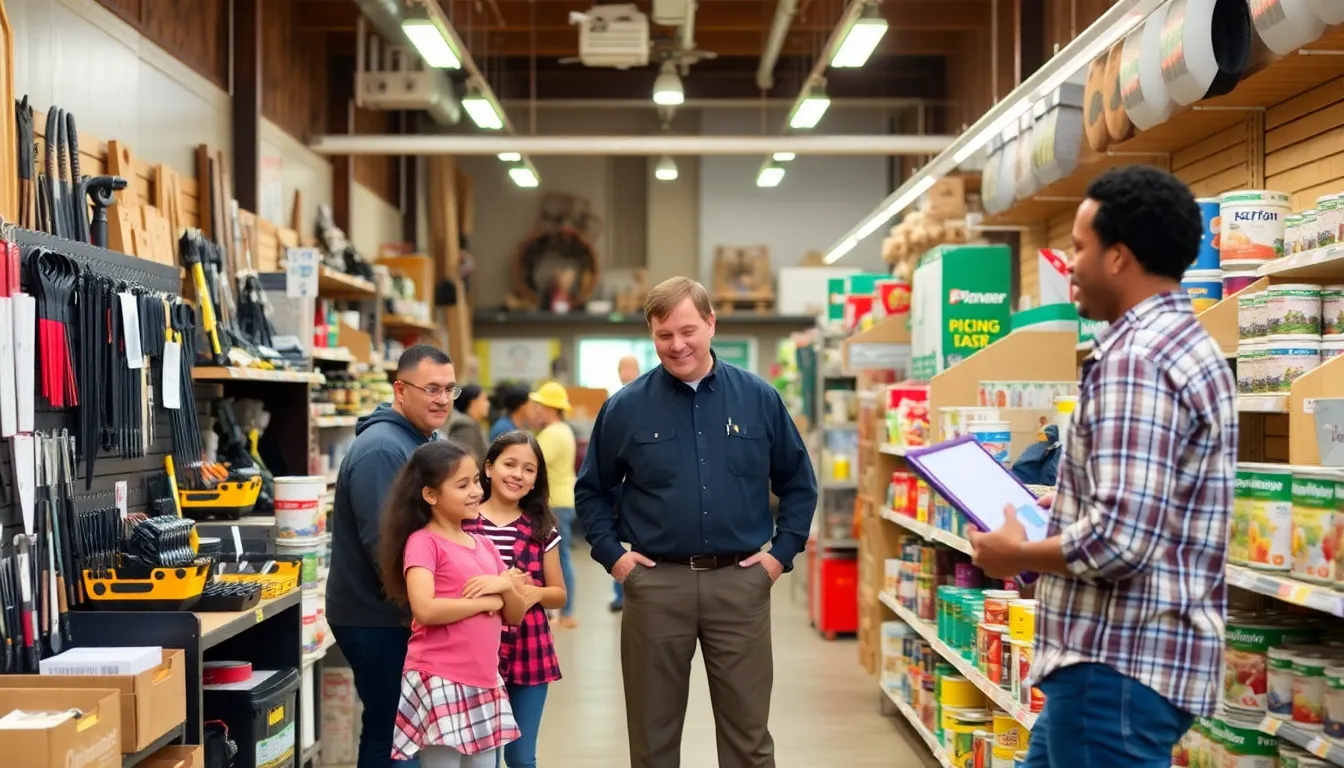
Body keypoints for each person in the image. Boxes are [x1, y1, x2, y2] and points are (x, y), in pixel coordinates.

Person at [967, 166, 1236, 768]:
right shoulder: (1186, 344)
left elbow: (1120, 540)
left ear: (1118, 257)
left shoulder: (1135, 361)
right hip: (1128, 666)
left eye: (1079, 247)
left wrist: (1016, 554)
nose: (1070, 265)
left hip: (1115, 665)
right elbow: (1151, 506)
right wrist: (1066, 506)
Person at [574, 277, 817, 768]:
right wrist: (616, 559)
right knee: (653, 742)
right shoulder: (625, 408)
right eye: (664, 335)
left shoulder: (758, 399)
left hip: (740, 584)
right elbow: (591, 490)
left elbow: (798, 483)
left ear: (711, 323)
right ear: (651, 333)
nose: (677, 345)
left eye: (688, 331)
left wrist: (778, 557)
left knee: (749, 740)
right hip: (656, 585)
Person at [328, 344, 459, 768]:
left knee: (398, 729)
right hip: (378, 618)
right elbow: (387, 547)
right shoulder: (383, 450)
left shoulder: (420, 441)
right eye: (431, 388)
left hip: (396, 613)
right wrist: (431, 607)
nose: (442, 399)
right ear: (400, 390)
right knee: (393, 732)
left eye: (449, 389)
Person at [377, 440, 526, 768]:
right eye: (462, 485)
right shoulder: (423, 543)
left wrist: (505, 586)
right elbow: (425, 609)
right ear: (430, 495)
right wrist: (486, 601)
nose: (476, 491)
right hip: (440, 677)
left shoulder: (484, 545)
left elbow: (514, 615)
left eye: (476, 481)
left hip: (484, 680)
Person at [467, 432, 566, 768]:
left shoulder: (542, 528)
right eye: (509, 464)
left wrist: (536, 593)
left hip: (530, 650)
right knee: (483, 755)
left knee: (521, 757)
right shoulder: (465, 524)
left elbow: (558, 594)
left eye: (528, 469)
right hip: (476, 651)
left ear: (536, 479)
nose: (517, 475)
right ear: (488, 468)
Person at [528, 381, 579, 629]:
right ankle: (563, 613)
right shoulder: (563, 430)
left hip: (554, 503)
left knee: (560, 557)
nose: (536, 410)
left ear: (550, 408)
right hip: (563, 500)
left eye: (539, 406)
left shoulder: (552, 434)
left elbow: (532, 462)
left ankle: (566, 613)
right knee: (561, 556)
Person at [608, 355, 642, 612]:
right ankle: (620, 593)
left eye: (631, 369)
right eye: (623, 369)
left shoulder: (648, 402)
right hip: (617, 487)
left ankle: (631, 591)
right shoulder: (615, 404)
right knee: (620, 544)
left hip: (637, 487)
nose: (627, 373)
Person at [448, 384, 489, 460]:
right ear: (473, 403)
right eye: (484, 399)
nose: (488, 404)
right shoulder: (465, 429)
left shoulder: (473, 425)